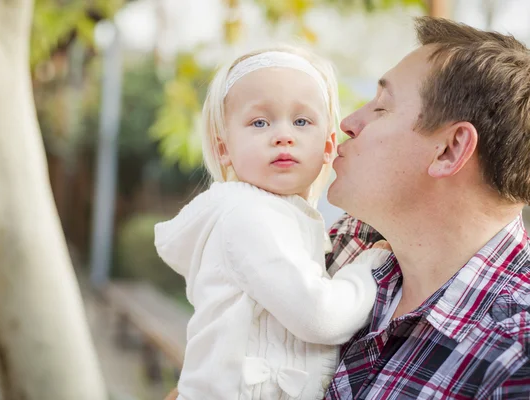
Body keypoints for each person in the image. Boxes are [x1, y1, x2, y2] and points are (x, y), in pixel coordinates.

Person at [154, 46, 390, 400]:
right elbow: (319, 315)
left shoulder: (285, 216)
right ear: (224, 149)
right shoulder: (247, 217)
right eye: (259, 122)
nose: (283, 135)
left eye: (301, 121)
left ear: (327, 146)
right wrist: (370, 266)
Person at [322, 16, 530, 399]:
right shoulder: (347, 244)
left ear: (450, 150)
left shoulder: (516, 360)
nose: (349, 123)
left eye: (381, 108)